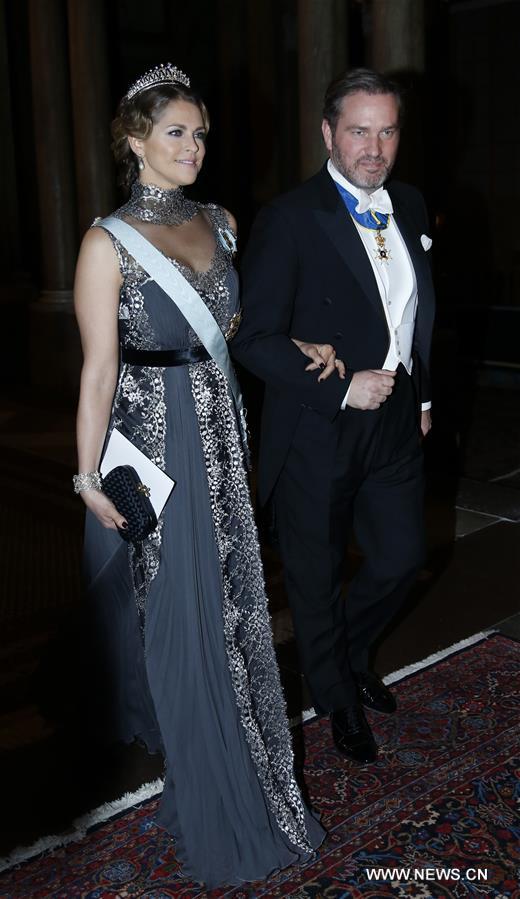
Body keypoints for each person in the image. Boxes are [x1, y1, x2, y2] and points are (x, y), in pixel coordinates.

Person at [73, 63, 328, 889]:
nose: (194, 146)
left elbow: (238, 336)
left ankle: (250, 769)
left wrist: (299, 348)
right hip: (157, 449)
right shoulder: (106, 239)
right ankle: (216, 787)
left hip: (224, 431)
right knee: (186, 615)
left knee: (236, 609)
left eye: (201, 131)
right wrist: (86, 478)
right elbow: (99, 372)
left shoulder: (221, 221)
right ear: (135, 140)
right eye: (176, 131)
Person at [232, 68, 435, 765]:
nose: (373, 147)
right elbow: (251, 337)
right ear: (328, 133)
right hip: (320, 424)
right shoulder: (290, 218)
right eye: (358, 131)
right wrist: (344, 386)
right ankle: (337, 697)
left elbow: (419, 310)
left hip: (398, 419)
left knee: (403, 555)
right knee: (315, 578)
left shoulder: (408, 201)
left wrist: (425, 395)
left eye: (386, 131)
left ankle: (344, 656)